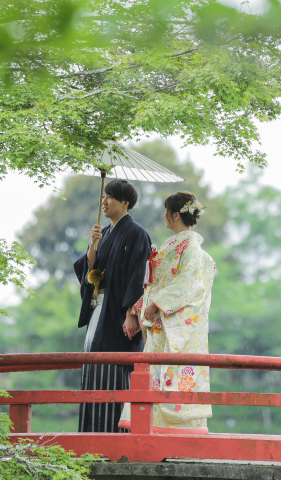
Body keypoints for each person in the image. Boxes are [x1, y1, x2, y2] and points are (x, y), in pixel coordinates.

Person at [119, 191, 216, 434]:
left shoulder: (192, 249)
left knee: (173, 372)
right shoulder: (171, 247)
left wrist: (157, 304)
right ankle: (153, 426)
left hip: (174, 322)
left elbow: (188, 284)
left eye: (166, 212)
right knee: (155, 374)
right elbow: (154, 287)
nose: (164, 216)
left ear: (175, 215)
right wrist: (137, 309)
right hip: (163, 324)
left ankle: (176, 428)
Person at [73, 179, 151, 433]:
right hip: (99, 310)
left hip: (118, 313)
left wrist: (131, 314)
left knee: (115, 367)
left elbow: (138, 276)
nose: (104, 202)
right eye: (103, 196)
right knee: (93, 366)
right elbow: (90, 272)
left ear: (125, 203)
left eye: (110, 197)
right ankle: (91, 434)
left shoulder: (136, 232)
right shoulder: (103, 233)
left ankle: (114, 434)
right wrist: (93, 246)